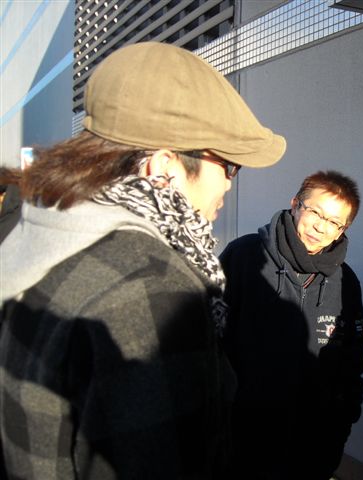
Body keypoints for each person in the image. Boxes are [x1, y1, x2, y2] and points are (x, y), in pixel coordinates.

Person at [0, 41, 285, 479]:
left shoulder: (46, 228)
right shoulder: (151, 286)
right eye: (229, 165)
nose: (230, 184)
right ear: (164, 167)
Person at [219, 170, 363, 479]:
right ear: (295, 204)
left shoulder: (346, 282)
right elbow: (210, 337)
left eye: (334, 222)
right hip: (242, 436)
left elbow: (352, 361)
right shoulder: (244, 257)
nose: (320, 227)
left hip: (312, 443)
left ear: (343, 229)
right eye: (315, 212)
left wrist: (342, 423)